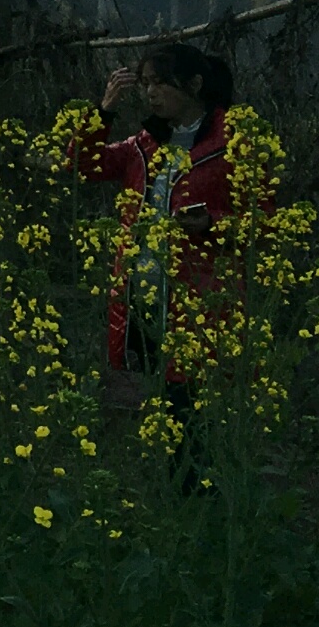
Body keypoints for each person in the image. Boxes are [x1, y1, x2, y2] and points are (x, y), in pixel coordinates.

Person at [66, 40, 239, 421]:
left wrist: (212, 224)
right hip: (142, 305)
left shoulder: (234, 144)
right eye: (145, 83)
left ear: (194, 84)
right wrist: (104, 110)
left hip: (199, 310)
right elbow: (82, 165)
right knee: (151, 422)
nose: (151, 93)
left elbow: (267, 226)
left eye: (161, 82)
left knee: (192, 424)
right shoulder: (143, 145)